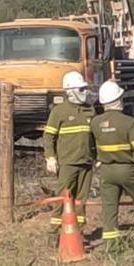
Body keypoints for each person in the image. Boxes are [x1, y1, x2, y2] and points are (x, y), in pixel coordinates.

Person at [91, 80, 134, 250]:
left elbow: (90, 146)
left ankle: (111, 246)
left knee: (109, 207)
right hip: (126, 169)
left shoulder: (95, 123)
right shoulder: (129, 122)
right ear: (119, 99)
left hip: (105, 171)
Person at [44, 71, 96, 244]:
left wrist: (99, 157)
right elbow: (49, 136)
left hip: (86, 162)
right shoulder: (59, 112)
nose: (84, 92)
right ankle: (54, 234)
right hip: (68, 163)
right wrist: (50, 157)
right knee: (62, 199)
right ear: (70, 90)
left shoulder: (90, 110)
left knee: (81, 201)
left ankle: (78, 234)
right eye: (80, 89)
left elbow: (95, 137)